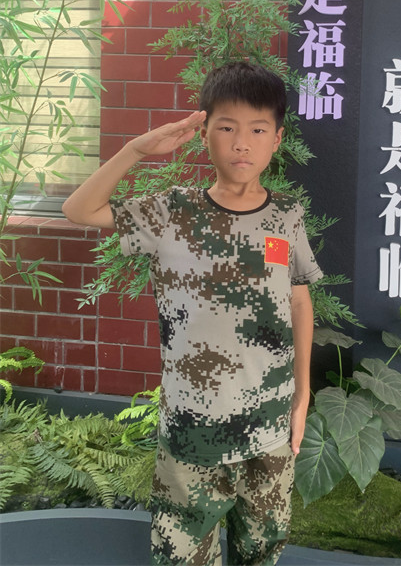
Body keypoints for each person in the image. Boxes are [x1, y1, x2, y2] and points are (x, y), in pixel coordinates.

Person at [62, 62, 321, 566]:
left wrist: (302, 393)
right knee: (181, 558)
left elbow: (298, 300)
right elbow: (79, 210)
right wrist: (136, 150)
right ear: (204, 134)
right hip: (191, 435)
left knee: (261, 554)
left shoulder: (286, 215)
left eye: (257, 130)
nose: (241, 144)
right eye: (226, 128)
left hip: (269, 432)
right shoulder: (171, 213)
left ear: (276, 139)